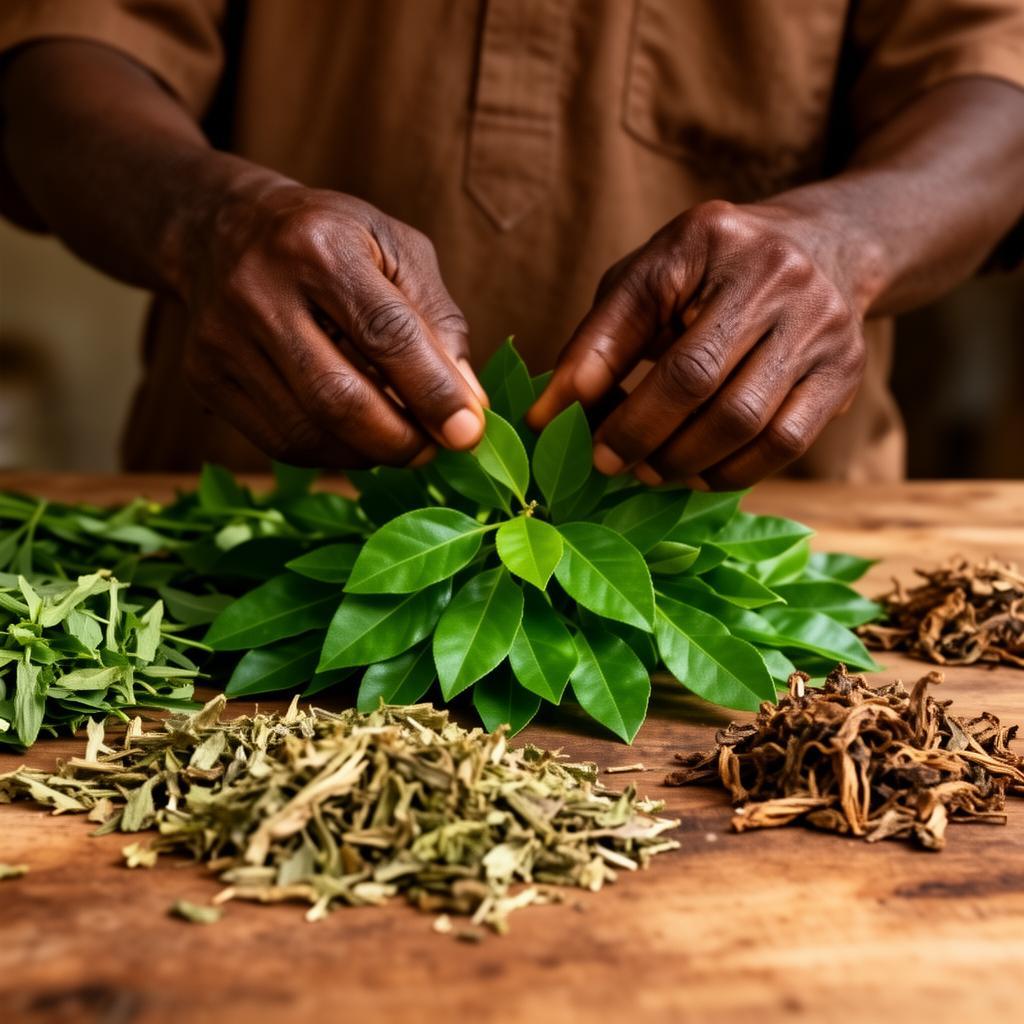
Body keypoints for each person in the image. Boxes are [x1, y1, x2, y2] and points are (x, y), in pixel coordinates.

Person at [2, 1, 1022, 487]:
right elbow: (57, 48)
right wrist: (203, 219)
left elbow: (994, 68)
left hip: (740, 531)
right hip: (260, 514)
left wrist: (846, 244)